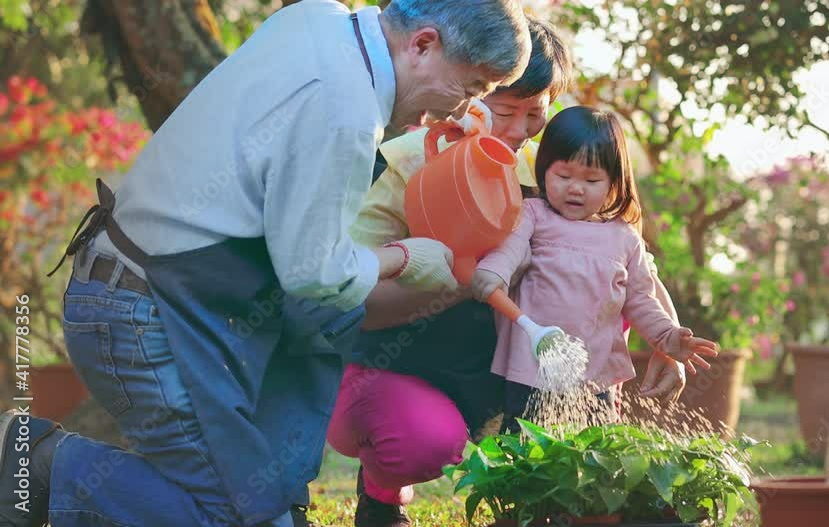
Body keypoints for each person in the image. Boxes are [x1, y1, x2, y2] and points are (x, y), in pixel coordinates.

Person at [0, 1, 530, 527]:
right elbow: (316, 275)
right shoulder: (346, 113)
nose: (459, 111)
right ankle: (37, 461)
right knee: (237, 516)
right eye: (469, 89)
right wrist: (405, 257)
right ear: (422, 45)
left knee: (263, 500)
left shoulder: (320, 19)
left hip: (138, 290)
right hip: (140, 316)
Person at [325, 19, 692, 527]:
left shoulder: (550, 173)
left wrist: (665, 339)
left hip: (507, 361)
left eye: (535, 115)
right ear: (469, 92)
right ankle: (383, 491)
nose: (519, 133)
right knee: (424, 439)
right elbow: (343, 289)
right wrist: (457, 280)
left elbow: (628, 255)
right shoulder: (414, 164)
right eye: (503, 111)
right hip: (401, 360)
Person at [471, 106, 720, 432]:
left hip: (595, 379)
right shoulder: (534, 214)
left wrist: (667, 338)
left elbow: (642, 299)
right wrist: (494, 272)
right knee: (523, 457)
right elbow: (510, 249)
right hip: (533, 370)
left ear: (613, 182)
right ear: (544, 170)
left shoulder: (624, 238)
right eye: (563, 176)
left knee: (593, 461)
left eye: (591, 179)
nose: (576, 188)